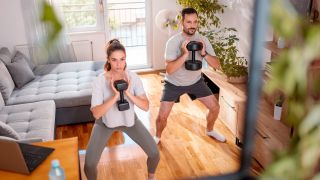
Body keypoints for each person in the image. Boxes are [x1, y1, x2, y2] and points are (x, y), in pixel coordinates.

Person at [84, 39, 160, 180]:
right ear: (108, 60)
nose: (119, 64)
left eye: (122, 59)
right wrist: (115, 96)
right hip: (105, 123)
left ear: (126, 59)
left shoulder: (133, 78)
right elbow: (96, 113)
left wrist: (128, 92)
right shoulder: (100, 81)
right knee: (89, 164)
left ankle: (151, 178)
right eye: (114, 60)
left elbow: (145, 106)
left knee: (155, 154)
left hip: (129, 121)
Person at [154, 7, 226, 144]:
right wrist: (185, 54)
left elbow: (217, 65)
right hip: (173, 84)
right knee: (162, 117)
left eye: (195, 22)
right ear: (182, 23)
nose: (192, 25)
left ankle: (210, 130)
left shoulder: (202, 40)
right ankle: (157, 137)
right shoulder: (173, 42)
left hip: (196, 82)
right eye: (188, 22)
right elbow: (169, 69)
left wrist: (204, 53)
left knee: (215, 107)